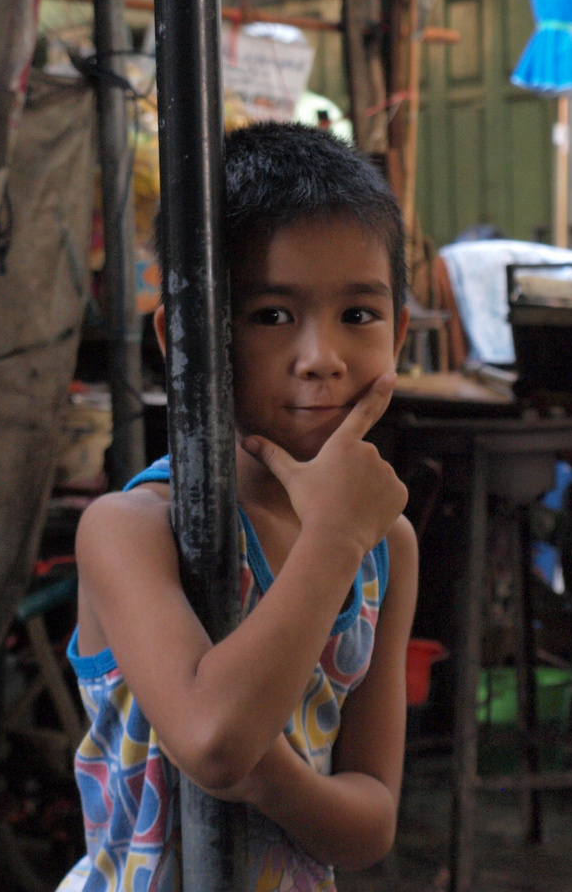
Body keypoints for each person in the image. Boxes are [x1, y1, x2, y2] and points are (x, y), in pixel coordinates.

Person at [64, 122, 419, 892]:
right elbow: (216, 742)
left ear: (401, 334)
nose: (321, 357)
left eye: (359, 315)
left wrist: (275, 782)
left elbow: (371, 824)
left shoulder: (387, 545)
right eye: (271, 316)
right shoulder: (131, 529)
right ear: (183, 334)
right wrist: (334, 534)